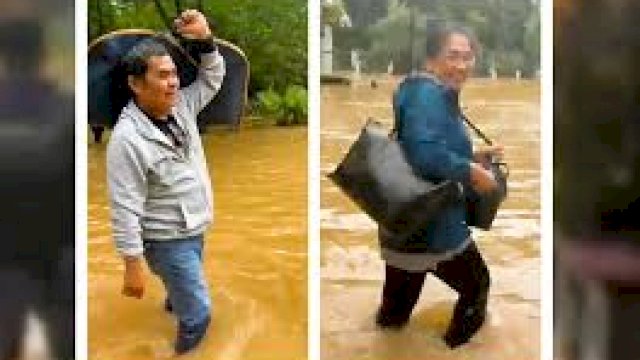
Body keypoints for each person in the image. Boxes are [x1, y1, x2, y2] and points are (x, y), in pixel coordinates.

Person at [106, 9, 225, 354]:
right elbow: (124, 207)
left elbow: (212, 79)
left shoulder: (181, 106)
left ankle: (175, 303)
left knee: (181, 296)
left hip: (194, 229)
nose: (173, 82)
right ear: (135, 84)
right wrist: (132, 266)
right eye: (162, 75)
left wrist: (205, 39)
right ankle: (185, 351)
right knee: (200, 314)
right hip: (166, 240)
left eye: (174, 74)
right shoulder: (127, 140)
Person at [376, 25, 502, 348]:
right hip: (434, 225)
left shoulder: (415, 88)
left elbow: (417, 143)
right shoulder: (429, 94)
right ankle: (452, 351)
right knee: (477, 287)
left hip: (403, 223)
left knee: (394, 317)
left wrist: (473, 154)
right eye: (453, 56)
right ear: (432, 60)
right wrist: (473, 172)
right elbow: (424, 154)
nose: (462, 65)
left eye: (468, 56)